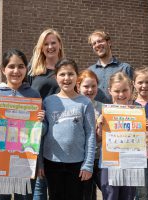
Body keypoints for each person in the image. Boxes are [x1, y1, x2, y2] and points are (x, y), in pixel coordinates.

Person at [0, 48, 45, 200]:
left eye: (21, 66)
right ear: (3, 69)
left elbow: (43, 131)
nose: (16, 71)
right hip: (0, 159)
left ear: (26, 69)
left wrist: (40, 124)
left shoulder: (34, 94)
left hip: (25, 160)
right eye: (11, 66)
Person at [39, 58, 96, 200]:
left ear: (77, 77)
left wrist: (88, 164)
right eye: (62, 74)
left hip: (77, 164)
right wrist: (40, 162)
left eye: (71, 74)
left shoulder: (85, 103)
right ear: (55, 76)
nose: (66, 78)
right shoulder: (48, 101)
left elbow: (90, 134)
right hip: (51, 162)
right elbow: (41, 133)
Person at [28, 28, 65, 200]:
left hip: (60, 130)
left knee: (58, 185)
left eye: (53, 43)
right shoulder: (33, 70)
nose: (50, 46)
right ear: (41, 47)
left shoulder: (65, 69)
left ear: (59, 45)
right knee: (39, 185)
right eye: (46, 44)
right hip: (37, 131)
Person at [100, 71, 141, 200]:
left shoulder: (138, 111)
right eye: (117, 91)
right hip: (110, 162)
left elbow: (143, 139)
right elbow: (98, 138)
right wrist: (99, 126)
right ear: (109, 91)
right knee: (110, 196)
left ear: (131, 89)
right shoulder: (104, 111)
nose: (121, 94)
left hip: (131, 161)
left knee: (129, 196)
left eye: (125, 90)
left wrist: (145, 128)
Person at [77, 69, 103, 200]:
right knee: (86, 194)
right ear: (78, 86)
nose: (90, 90)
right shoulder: (76, 106)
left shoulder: (103, 108)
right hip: (82, 159)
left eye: (93, 86)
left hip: (100, 159)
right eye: (86, 86)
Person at [88, 30, 133, 103]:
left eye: (100, 41)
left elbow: (132, 95)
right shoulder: (90, 71)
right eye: (94, 43)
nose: (97, 45)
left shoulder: (125, 68)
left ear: (109, 42)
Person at [133, 67, 148, 200]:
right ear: (134, 84)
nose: (144, 86)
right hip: (137, 159)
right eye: (140, 82)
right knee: (141, 195)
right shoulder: (130, 106)